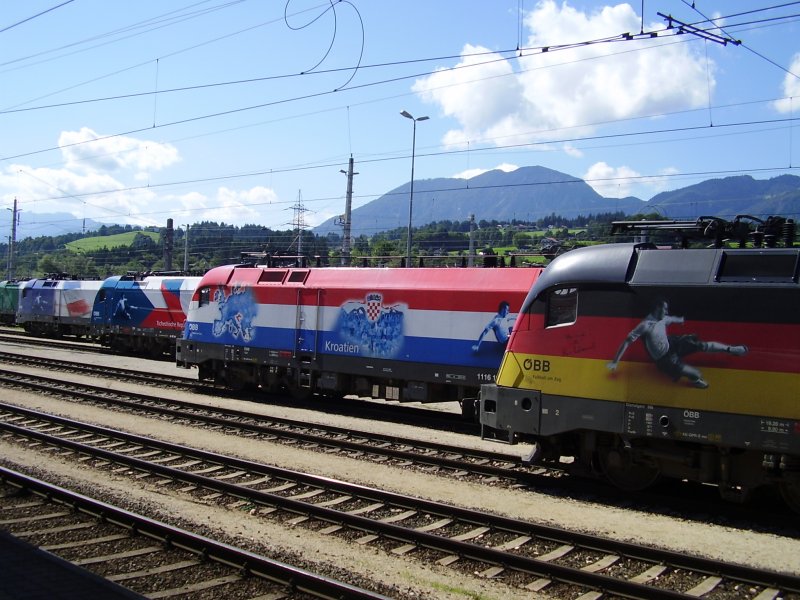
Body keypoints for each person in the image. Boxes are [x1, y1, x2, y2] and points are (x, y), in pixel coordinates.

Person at [607, 299, 747, 388]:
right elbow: (626, 342)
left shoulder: (663, 318)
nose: (666, 312)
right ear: (657, 308)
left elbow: (674, 319)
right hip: (664, 359)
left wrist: (683, 318)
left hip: (672, 343)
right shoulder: (645, 325)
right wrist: (615, 362)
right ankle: (695, 379)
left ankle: (730, 349)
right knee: (695, 374)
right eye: (664, 309)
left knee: (701, 345)